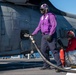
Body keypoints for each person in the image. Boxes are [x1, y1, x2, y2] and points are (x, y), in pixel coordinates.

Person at [31, 3, 62, 70]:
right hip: (44, 36)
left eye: (42, 9)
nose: (41, 10)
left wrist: (50, 35)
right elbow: (39, 27)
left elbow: (54, 25)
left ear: (46, 9)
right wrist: (33, 34)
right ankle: (46, 65)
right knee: (43, 50)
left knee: (54, 50)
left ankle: (59, 65)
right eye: (40, 9)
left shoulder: (51, 16)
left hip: (51, 35)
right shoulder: (41, 17)